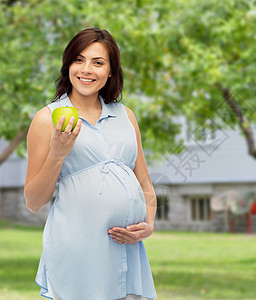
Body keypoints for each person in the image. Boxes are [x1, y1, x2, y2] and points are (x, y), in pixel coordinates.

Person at [24, 28, 157, 300]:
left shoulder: (126, 116)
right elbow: (34, 201)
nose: (87, 70)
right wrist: (58, 153)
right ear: (68, 65)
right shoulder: (47, 119)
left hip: (128, 252)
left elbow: (144, 182)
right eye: (79, 60)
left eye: (98, 62)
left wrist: (149, 223)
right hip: (79, 254)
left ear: (110, 71)